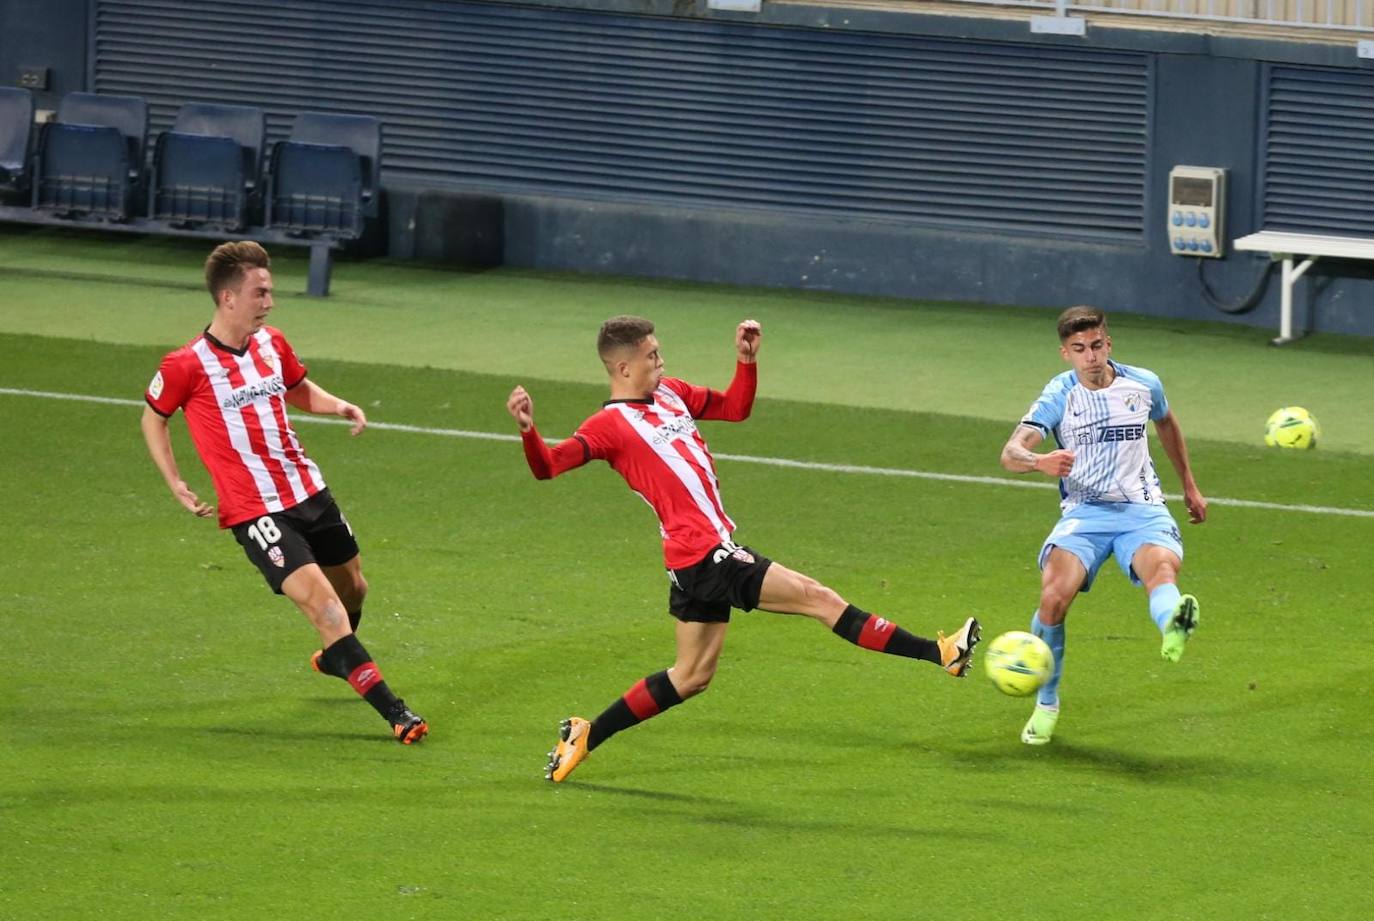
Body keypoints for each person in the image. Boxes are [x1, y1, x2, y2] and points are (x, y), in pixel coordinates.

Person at [507, 315, 980, 783]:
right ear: (623, 368)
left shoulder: (671, 392)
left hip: (692, 562)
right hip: (708, 555)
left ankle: (586, 735)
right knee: (819, 599)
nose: (661, 360)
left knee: (690, 677)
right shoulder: (608, 426)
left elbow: (735, 407)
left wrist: (745, 361)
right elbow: (548, 466)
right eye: (652, 356)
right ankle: (940, 653)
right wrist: (529, 429)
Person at [140, 240, 428, 745]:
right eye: (260, 292)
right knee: (326, 609)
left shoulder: (272, 343)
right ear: (229, 297)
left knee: (354, 588)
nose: (269, 301)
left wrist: (339, 406)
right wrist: (176, 483)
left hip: (307, 488)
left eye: (269, 292)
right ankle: (397, 713)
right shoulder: (187, 364)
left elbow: (296, 388)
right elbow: (153, 418)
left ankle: (340, 657)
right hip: (256, 511)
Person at [999, 305, 1206, 746]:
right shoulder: (1059, 395)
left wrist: (1189, 485)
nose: (1090, 356)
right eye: (1079, 349)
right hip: (1085, 513)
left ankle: (1174, 623)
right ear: (1065, 353)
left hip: (1142, 508)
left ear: (1108, 343)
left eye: (1096, 345)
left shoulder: (1143, 384)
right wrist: (1041, 461)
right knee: (1054, 597)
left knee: (1163, 571)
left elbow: (1166, 423)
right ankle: (1047, 703)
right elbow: (1010, 452)